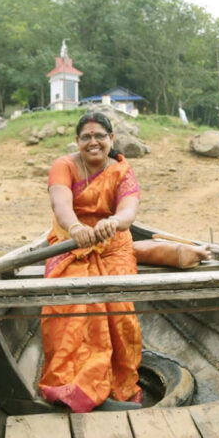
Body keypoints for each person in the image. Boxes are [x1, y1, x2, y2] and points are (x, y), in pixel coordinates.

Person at [39, 111, 142, 413]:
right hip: (71, 242)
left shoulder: (122, 170)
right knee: (68, 301)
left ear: (111, 138)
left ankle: (120, 384)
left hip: (113, 243)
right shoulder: (64, 165)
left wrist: (114, 222)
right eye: (86, 137)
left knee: (120, 307)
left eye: (99, 136)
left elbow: (128, 210)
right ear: (77, 140)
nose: (93, 142)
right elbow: (60, 204)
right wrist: (75, 228)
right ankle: (71, 384)